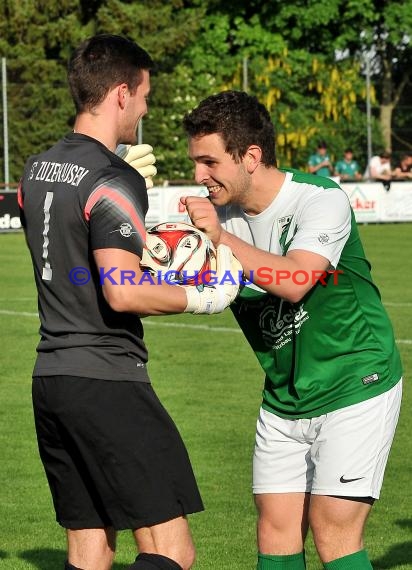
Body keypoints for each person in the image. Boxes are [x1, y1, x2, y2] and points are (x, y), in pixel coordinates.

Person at [17, 35, 239, 570]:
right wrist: (204, 296)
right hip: (107, 381)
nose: (145, 108)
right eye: (143, 96)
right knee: (171, 551)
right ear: (121, 92)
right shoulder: (114, 178)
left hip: (52, 379)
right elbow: (121, 288)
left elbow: (72, 239)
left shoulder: (35, 169)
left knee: (89, 549)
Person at [178, 90, 403, 570]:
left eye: (209, 162)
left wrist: (222, 240)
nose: (199, 176)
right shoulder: (218, 220)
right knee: (274, 531)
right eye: (195, 163)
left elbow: (296, 281)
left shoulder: (320, 199)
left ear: (251, 157)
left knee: (333, 530)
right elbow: (185, 289)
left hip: (354, 383)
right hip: (284, 395)